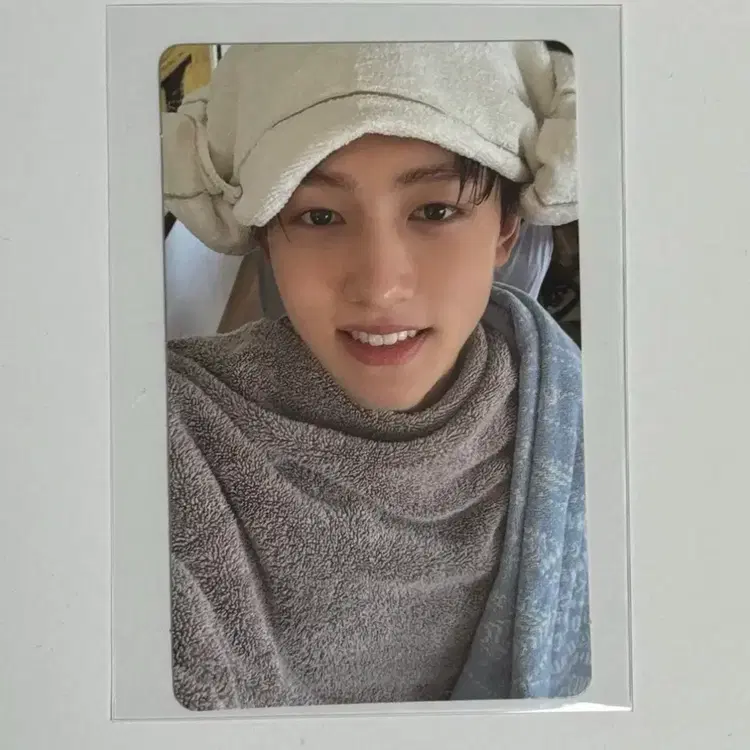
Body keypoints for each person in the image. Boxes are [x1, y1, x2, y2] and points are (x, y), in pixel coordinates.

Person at [162, 41, 589, 711]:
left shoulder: (598, 425)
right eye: (320, 216)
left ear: (506, 230)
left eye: (435, 211)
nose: (381, 286)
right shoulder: (170, 434)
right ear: (265, 238)